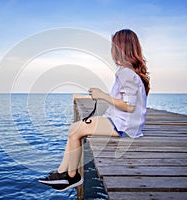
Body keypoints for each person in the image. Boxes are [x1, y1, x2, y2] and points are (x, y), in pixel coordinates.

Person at [38, 29, 150, 191]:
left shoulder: (126, 73)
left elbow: (130, 106)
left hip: (124, 126)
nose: (112, 51)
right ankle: (65, 173)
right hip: (123, 123)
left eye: (114, 46)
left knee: (76, 131)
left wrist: (102, 95)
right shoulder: (130, 72)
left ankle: (70, 177)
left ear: (121, 48)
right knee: (74, 128)